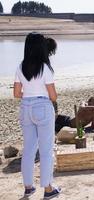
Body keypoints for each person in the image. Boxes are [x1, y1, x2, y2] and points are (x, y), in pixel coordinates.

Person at [13, 33, 61, 198]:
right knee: (46, 150)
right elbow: (53, 96)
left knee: (28, 150)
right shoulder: (45, 67)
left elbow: (17, 93)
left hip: (25, 107)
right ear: (41, 47)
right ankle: (48, 189)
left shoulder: (21, 66)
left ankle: (28, 187)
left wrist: (31, 93)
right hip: (43, 108)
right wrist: (41, 94)